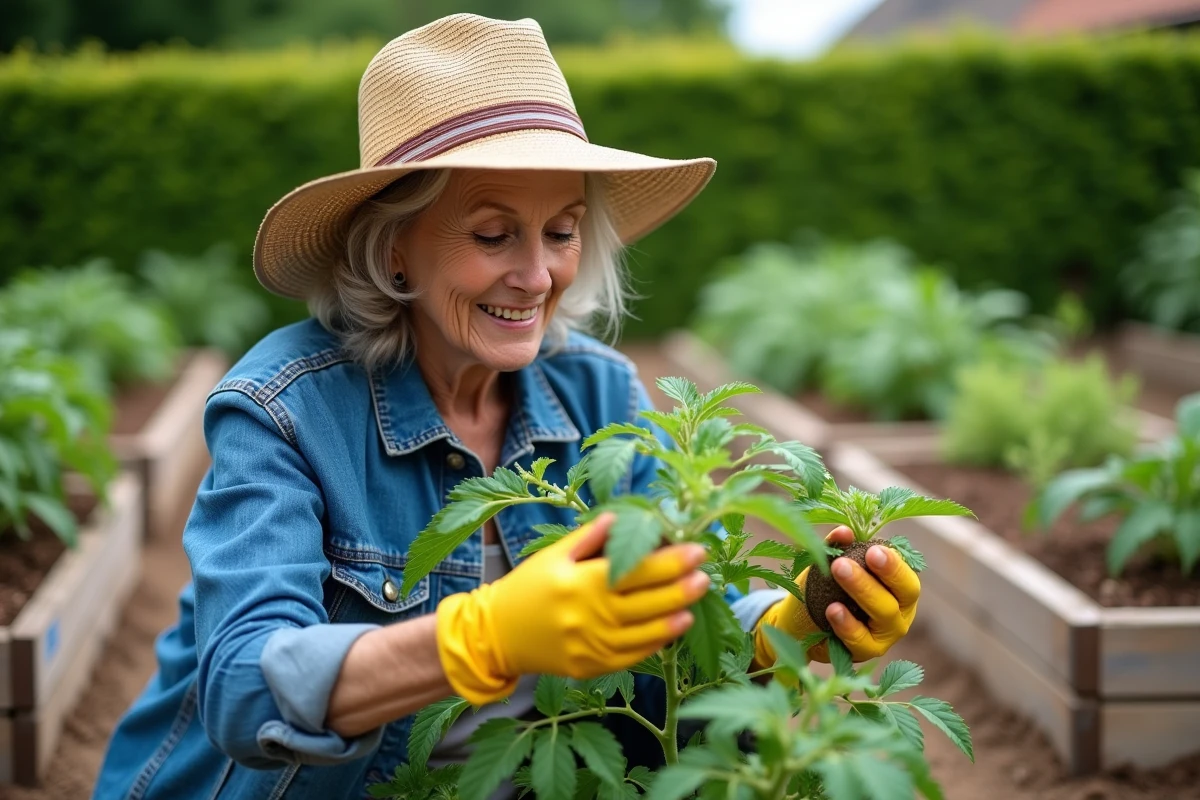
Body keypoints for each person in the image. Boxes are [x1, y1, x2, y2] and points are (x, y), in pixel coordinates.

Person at [92, 14, 920, 799]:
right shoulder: (284, 411)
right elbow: (243, 684)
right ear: (394, 253)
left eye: (560, 232)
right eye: (493, 236)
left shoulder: (599, 392)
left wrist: (792, 625)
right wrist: (478, 638)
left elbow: (677, 613)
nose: (537, 276)